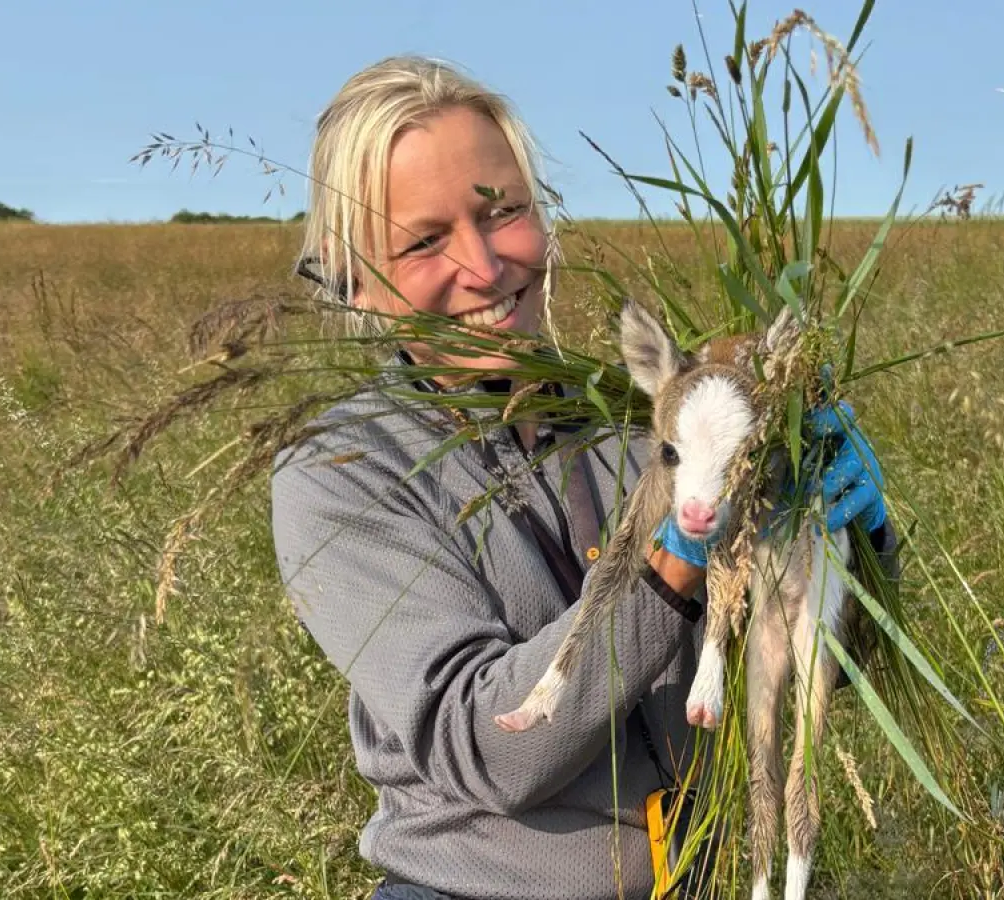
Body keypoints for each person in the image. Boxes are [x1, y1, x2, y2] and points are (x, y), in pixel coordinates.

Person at [270, 55, 896, 900]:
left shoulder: (629, 417)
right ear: (354, 281)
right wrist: (677, 551)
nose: (486, 267)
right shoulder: (342, 470)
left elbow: (823, 674)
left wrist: (844, 537)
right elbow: (488, 746)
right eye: (423, 242)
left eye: (505, 212)